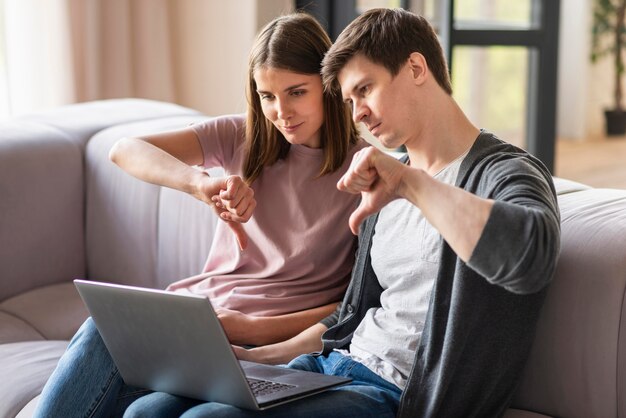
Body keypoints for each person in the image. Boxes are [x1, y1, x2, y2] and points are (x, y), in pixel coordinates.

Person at [124, 7, 561, 418]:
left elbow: (530, 257)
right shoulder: (384, 180)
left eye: (365, 90)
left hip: (393, 392)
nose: (359, 114)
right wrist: (254, 357)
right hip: (328, 366)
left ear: (415, 68)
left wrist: (408, 184)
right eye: (349, 100)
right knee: (149, 410)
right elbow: (349, 317)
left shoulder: (502, 171)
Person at [33, 12, 367, 418]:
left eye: (296, 92)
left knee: (145, 406)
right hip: (191, 319)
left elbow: (351, 305)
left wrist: (247, 329)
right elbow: (123, 149)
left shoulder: (363, 172)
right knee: (100, 329)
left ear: (328, 85)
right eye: (266, 96)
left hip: (252, 344)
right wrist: (197, 183)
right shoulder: (241, 138)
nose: (281, 112)